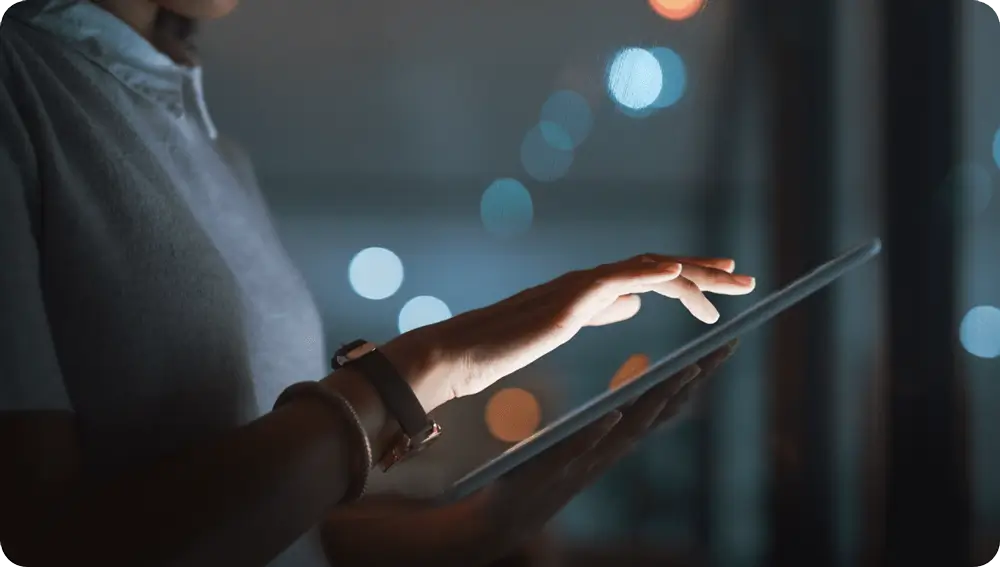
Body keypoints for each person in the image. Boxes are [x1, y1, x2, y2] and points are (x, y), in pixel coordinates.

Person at [0, 0, 757, 565]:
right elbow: (61, 540)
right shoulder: (22, 92)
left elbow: (291, 531)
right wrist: (429, 367)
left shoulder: (212, 148)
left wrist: (487, 522)